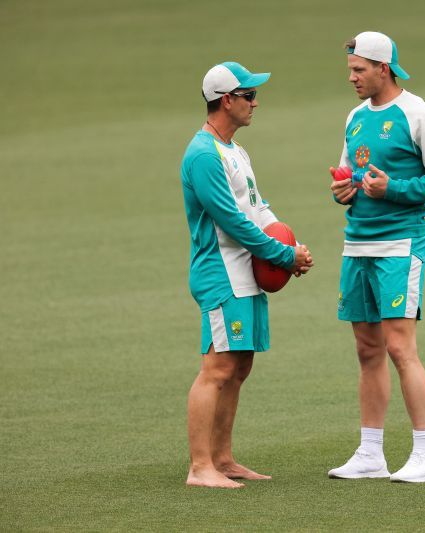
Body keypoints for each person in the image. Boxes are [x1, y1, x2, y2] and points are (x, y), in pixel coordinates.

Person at [327, 32, 425, 483]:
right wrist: (344, 192)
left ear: (384, 68)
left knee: (401, 348)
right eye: (350, 70)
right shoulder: (356, 117)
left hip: (400, 246)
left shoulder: (419, 114)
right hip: (357, 245)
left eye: (359, 69)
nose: (352, 78)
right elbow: (350, 175)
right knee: (368, 351)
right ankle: (371, 453)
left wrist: (395, 190)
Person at [180, 61, 313, 489]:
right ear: (226, 100)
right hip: (221, 273)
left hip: (246, 272)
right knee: (216, 369)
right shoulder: (203, 155)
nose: (256, 102)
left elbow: (257, 207)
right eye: (249, 95)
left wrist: (290, 246)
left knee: (238, 368)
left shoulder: (235, 150)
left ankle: (223, 459)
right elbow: (232, 221)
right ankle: (200, 468)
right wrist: (282, 254)